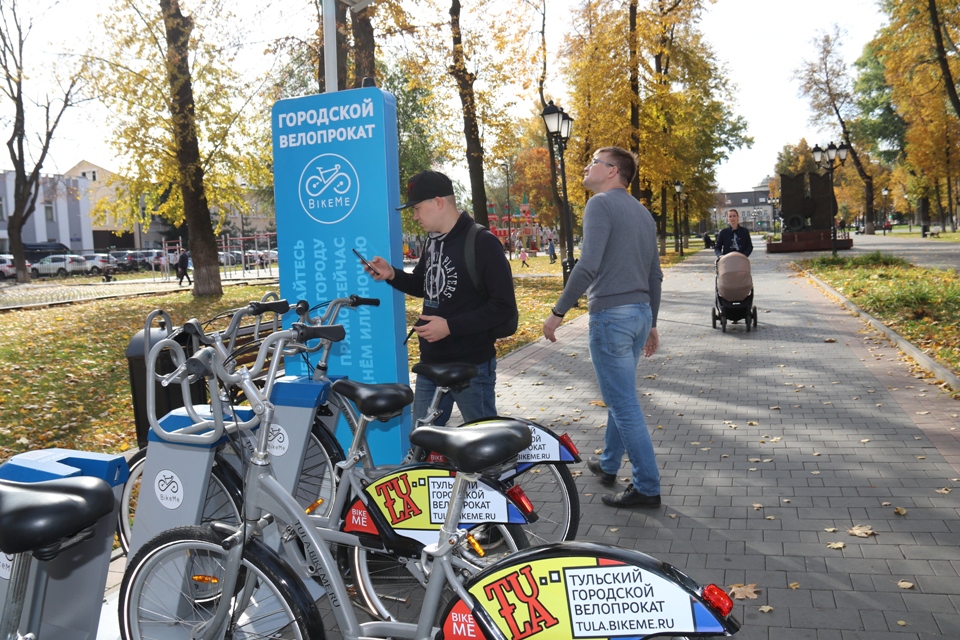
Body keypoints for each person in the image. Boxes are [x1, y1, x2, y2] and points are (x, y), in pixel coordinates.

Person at [541, 147, 663, 509]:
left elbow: (587, 265)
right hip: (638, 315)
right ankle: (609, 464)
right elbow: (654, 274)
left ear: (612, 172)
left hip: (612, 317)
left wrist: (558, 311)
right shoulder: (643, 214)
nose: (586, 166)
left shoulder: (600, 205)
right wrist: (652, 321)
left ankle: (647, 486)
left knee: (623, 402)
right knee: (620, 394)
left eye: (593, 161)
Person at [364, 171, 518, 425]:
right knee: (422, 446)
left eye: (417, 208)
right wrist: (392, 274)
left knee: (487, 446)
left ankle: (498, 467)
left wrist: (449, 327)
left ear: (438, 202)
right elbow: (424, 285)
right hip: (431, 364)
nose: (414, 216)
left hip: (472, 366)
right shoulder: (433, 241)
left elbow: (503, 308)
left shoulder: (482, 242)